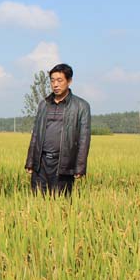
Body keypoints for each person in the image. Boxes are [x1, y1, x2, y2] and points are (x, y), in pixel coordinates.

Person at [25, 63, 91, 196]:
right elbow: (36, 134)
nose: (55, 84)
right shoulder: (44, 104)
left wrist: (80, 167)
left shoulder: (81, 106)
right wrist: (30, 161)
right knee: (37, 200)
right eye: (52, 81)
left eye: (60, 80)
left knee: (61, 202)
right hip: (41, 163)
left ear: (69, 81)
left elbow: (84, 139)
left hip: (63, 164)